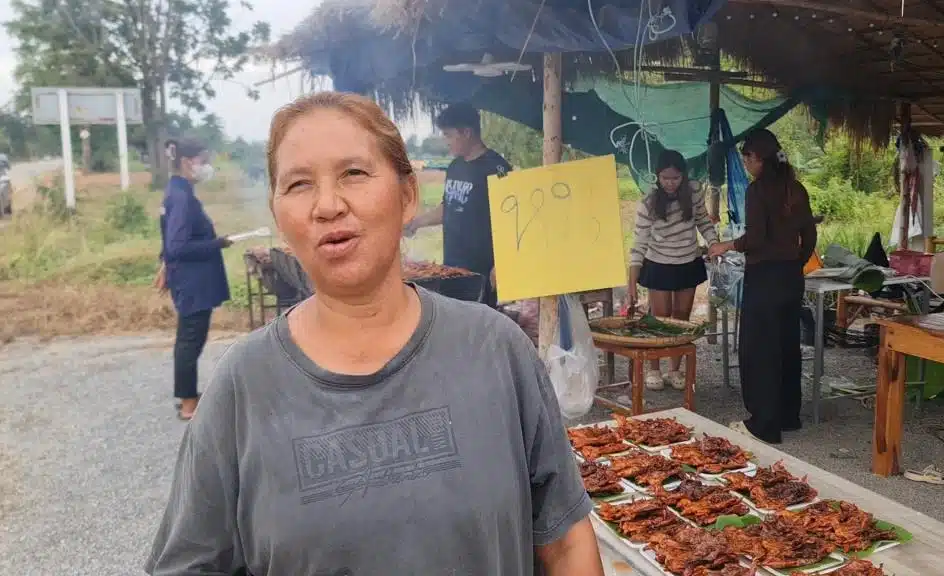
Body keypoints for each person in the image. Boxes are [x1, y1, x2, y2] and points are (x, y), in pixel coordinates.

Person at [144, 92, 603, 576]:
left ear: (407, 196)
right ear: (280, 218)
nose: (327, 205)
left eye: (354, 174)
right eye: (299, 184)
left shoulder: (496, 349)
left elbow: (565, 541)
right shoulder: (244, 386)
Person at [709, 129, 817, 445]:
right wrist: (796, 262)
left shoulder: (759, 191)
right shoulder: (795, 188)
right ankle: (788, 415)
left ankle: (763, 424)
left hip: (765, 278)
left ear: (759, 159)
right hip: (790, 277)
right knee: (787, 346)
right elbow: (809, 235)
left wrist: (725, 245)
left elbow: (755, 239)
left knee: (760, 350)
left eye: (747, 157)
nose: (745, 162)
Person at [626, 150, 718, 391]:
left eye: (675, 178)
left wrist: (714, 242)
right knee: (659, 318)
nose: (670, 183)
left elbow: (703, 221)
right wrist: (631, 282)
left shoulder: (695, 192)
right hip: (658, 264)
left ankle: (674, 370)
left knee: (680, 318)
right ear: (657, 176)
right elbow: (639, 243)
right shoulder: (648, 202)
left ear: (683, 176)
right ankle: (654, 369)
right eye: (665, 178)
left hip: (688, 261)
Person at [153, 139, 231, 421]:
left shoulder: (178, 190)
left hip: (188, 279)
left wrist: (164, 264)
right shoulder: (182, 196)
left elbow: (169, 240)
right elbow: (178, 245)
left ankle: (188, 397)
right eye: (202, 160)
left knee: (190, 338)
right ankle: (188, 404)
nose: (206, 166)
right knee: (190, 339)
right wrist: (217, 243)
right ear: (187, 162)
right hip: (193, 282)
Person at [404, 102, 511, 307]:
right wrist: (414, 223)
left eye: (448, 135)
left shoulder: (496, 168)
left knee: (479, 327)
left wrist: (501, 264)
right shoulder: (455, 166)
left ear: (466, 132)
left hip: (482, 271)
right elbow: (449, 207)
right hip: (452, 269)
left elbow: (510, 220)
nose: (446, 141)